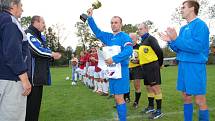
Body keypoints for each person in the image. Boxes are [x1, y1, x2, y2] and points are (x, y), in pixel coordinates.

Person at [159, 0, 210, 121]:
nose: (181, 9)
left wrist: (176, 38)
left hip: (195, 65)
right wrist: (171, 41)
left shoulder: (200, 25)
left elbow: (196, 47)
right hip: (183, 65)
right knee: (186, 97)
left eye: (183, 7)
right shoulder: (183, 28)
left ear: (192, 8)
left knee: (199, 100)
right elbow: (179, 48)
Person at [87, 8, 133, 121]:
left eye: (116, 22)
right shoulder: (109, 37)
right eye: (112, 23)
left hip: (121, 71)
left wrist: (114, 59)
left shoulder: (125, 37)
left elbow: (129, 51)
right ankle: (120, 117)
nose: (113, 24)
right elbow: (97, 32)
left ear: (121, 24)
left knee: (119, 97)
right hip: (112, 72)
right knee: (116, 98)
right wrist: (90, 18)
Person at [25, 15, 61, 121]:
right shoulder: (28, 34)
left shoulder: (40, 36)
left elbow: (44, 51)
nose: (44, 25)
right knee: (30, 109)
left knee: (35, 108)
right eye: (43, 22)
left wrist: (52, 56)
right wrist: (52, 54)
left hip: (39, 78)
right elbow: (37, 51)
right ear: (36, 22)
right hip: (32, 77)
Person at [0, 0, 32, 121]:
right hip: (11, 79)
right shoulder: (10, 21)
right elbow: (13, 52)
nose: (22, 9)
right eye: (21, 6)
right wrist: (24, 79)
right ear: (13, 5)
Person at [137, 22, 164, 119]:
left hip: (152, 66)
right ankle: (151, 106)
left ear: (146, 29)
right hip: (145, 68)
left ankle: (159, 110)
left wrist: (160, 64)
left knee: (155, 88)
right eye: (138, 29)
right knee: (148, 87)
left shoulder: (151, 39)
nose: (139, 31)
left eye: (141, 29)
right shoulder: (142, 41)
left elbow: (159, 52)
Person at [125, 33, 143, 109]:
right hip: (127, 68)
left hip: (137, 69)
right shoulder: (126, 47)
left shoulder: (140, 47)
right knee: (125, 85)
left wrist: (138, 61)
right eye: (130, 38)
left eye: (132, 38)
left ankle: (136, 102)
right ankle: (127, 98)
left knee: (137, 86)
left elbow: (144, 59)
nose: (131, 40)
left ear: (136, 39)